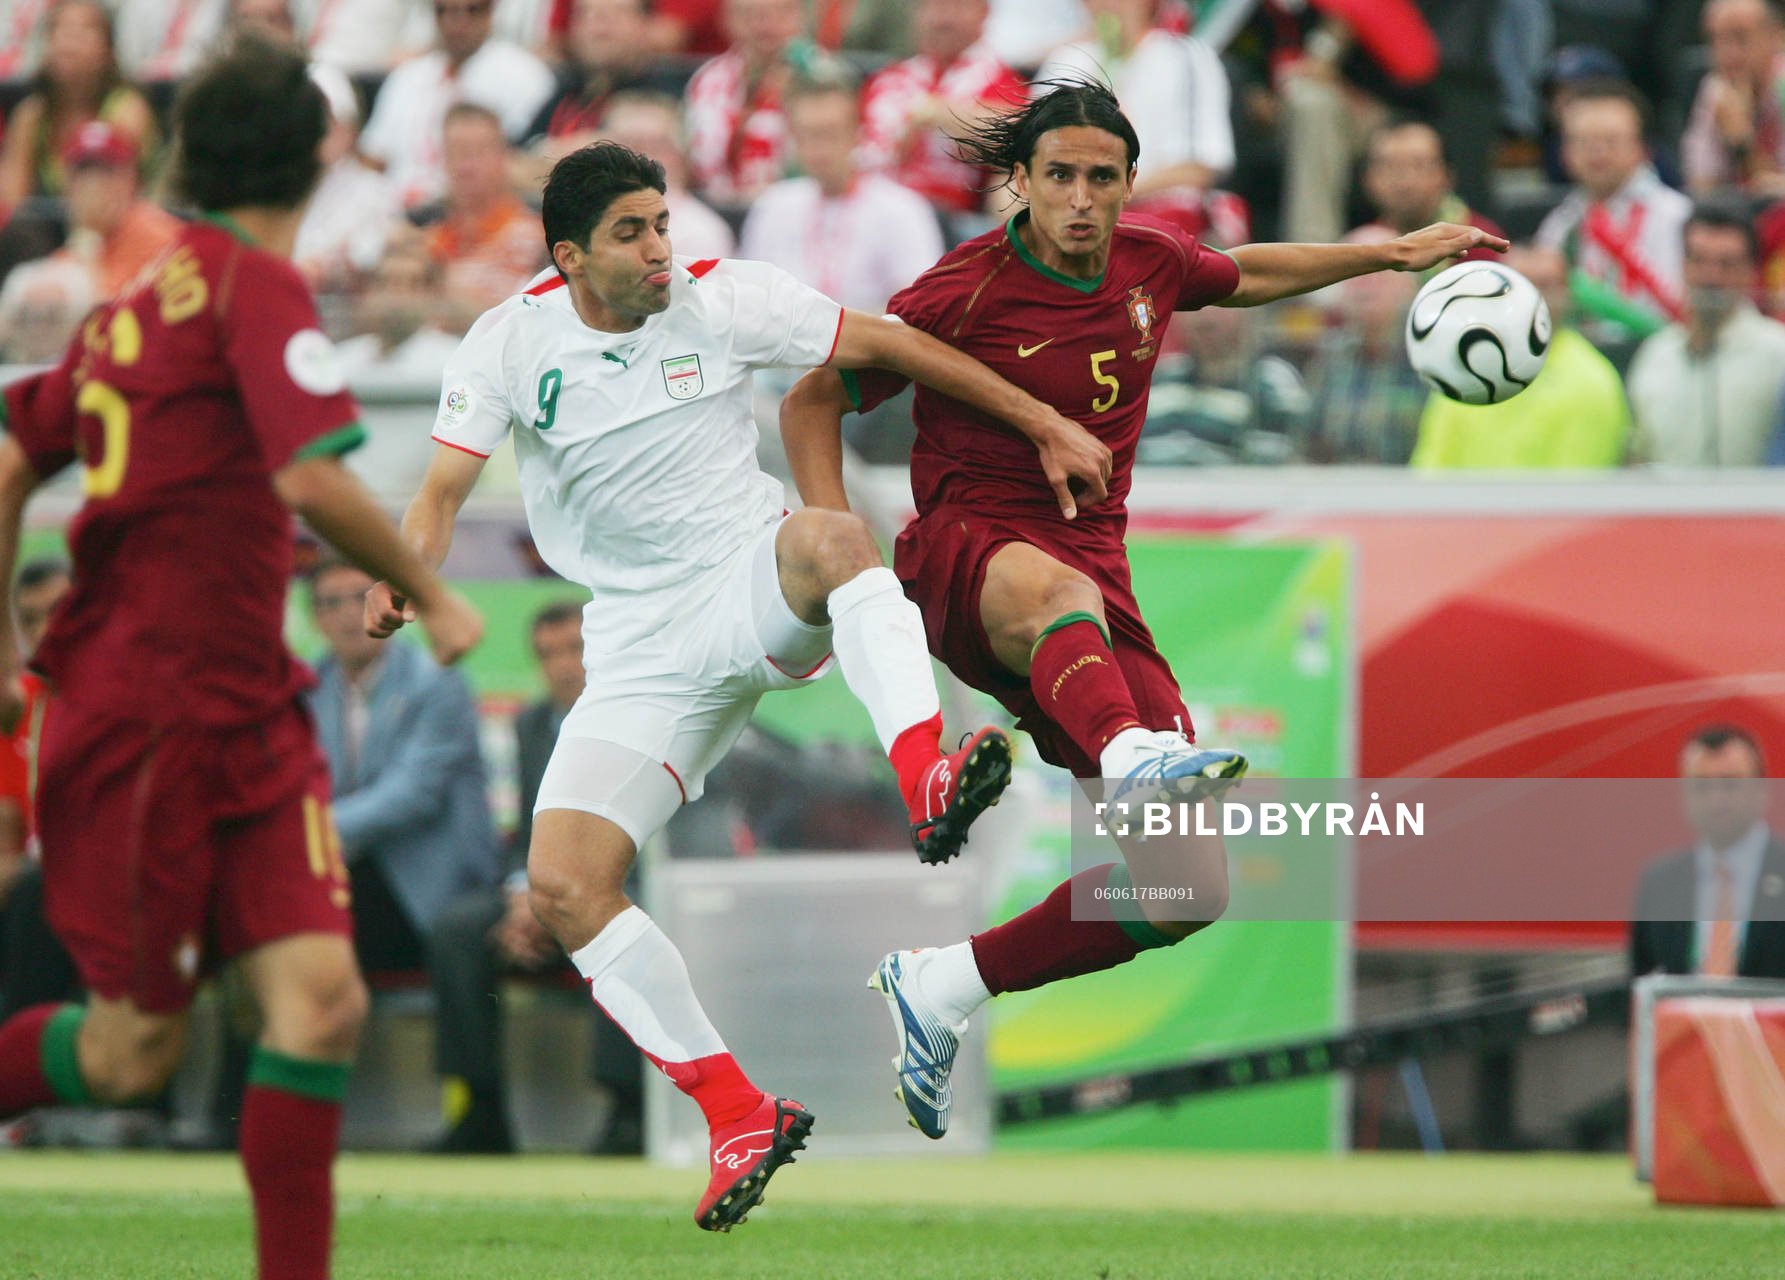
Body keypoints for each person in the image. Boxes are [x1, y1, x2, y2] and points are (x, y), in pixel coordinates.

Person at [363, 138, 1135, 1228]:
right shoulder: (506, 341)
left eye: (665, 224)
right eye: (632, 233)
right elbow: (442, 490)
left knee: (825, 535)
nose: (659, 250)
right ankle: (735, 1109)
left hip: (744, 578)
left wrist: (1044, 418)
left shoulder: (724, 302)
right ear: (572, 256)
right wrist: (407, 575)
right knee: (565, 884)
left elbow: (893, 343)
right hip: (634, 646)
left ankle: (925, 772)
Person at [779, 80, 1503, 1141]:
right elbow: (813, 394)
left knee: (1185, 884)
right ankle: (1126, 750)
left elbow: (1248, 273)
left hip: (1088, 576)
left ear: (1127, 185)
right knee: (1066, 605)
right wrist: (842, 559)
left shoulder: (1149, 261)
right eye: (1058, 176)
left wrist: (1386, 257)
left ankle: (943, 986)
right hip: (966, 548)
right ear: (1019, 182)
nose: (1079, 198)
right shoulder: (966, 287)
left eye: (1101, 178)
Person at [0, 38, 481, 1280]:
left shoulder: (136, 302)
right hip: (147, 714)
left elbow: (15, 452)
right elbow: (309, 470)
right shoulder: (246, 283)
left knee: (324, 998)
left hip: (248, 712)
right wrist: (431, 589)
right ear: (317, 152)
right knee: (129, 1057)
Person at [427, 601, 646, 1155]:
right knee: (457, 928)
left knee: (626, 922)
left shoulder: (643, 717)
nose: (563, 666)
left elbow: (654, 838)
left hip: (620, 886)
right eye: (548, 654)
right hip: (549, 889)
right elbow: (529, 832)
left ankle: (628, 1112)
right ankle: (481, 1108)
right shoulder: (529, 723)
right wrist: (528, 898)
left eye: (575, 649)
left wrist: (562, 897)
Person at [307, 556, 501, 979]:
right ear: (314, 618)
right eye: (330, 603)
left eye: (360, 598)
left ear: (387, 605)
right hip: (348, 875)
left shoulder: (436, 679)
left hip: (424, 885)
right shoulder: (310, 687)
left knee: (301, 939)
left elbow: (410, 796)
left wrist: (307, 831)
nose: (346, 615)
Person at [739, 74, 946, 315]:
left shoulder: (902, 209)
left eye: (830, 133)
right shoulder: (773, 206)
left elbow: (917, 306)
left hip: (873, 345)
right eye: (807, 134)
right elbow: (749, 296)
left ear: (856, 134)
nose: (819, 147)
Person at [1411, 246, 1631, 469]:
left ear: (1567, 294)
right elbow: (1429, 471)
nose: (1532, 298)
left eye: (1545, 285)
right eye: (1518, 286)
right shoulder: (1458, 368)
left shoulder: (1592, 382)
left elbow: (1574, 495)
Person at [1036, 0, 1235, 236]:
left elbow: (1198, 167)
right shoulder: (1066, 62)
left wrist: (1103, 193)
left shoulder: (1184, 56)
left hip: (1156, 219)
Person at [1627, 202, 1785, 466]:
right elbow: (1638, 457)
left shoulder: (1778, 353)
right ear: (1683, 265)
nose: (1711, 277)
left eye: (1727, 264)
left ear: (1750, 271)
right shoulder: (1656, 355)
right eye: (1699, 260)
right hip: (1668, 506)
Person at [359, 0, 556, 209]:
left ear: (491, 11)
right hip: (394, 209)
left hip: (471, 208)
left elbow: (522, 158)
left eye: (472, 10)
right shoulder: (407, 76)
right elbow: (373, 158)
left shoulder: (524, 75)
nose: (457, 22)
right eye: (443, 10)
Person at [1536, 79, 1693, 340]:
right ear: (1564, 153)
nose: (1597, 152)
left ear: (1642, 148)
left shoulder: (1675, 216)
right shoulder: (1561, 224)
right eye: (1583, 142)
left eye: (1611, 141)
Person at [1631, 725, 1785, 979]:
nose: (1716, 798)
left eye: (1731, 783)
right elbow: (1638, 992)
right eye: (1701, 785)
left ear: (1762, 789)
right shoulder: (1659, 884)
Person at [858, 0, 1025, 218]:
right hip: (872, 209)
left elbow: (1020, 137)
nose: (943, 19)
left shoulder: (1002, 81)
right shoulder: (887, 80)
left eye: (957, 6)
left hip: (951, 219)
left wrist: (939, 114)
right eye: (933, 6)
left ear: (983, 12)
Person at [0, 558, 75, 1024]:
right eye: (29, 619)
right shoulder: (20, 706)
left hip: (103, 880)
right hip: (32, 877)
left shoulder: (121, 698)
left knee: (33, 891)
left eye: (58, 610)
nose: (45, 629)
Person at [0, 1, 157, 213]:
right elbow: (10, 203)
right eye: (58, 29)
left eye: (85, 29)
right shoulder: (32, 115)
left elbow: (109, 199)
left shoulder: (127, 109)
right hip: (46, 238)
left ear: (108, 50)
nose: (69, 41)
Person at [417, 104, 547, 325]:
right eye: (455, 153)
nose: (465, 167)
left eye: (476, 152)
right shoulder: (427, 240)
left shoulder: (531, 238)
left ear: (503, 157)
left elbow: (511, 319)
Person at [683, 0, 814, 207]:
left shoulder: (822, 76)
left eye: (778, 13)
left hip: (795, 207)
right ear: (727, 20)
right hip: (717, 204)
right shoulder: (708, 79)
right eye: (750, 15)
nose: (765, 26)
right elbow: (691, 155)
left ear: (799, 16)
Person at [1351, 120, 1505, 266]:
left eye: (1419, 166)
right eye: (1389, 167)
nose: (1404, 181)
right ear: (1366, 178)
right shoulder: (1361, 247)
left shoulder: (1478, 242)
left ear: (1447, 175)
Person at [1682, 0, 1785, 196]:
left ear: (1777, 36)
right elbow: (1700, 184)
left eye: (1740, 38)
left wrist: (1742, 142)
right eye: (1715, 39)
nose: (1727, 52)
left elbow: (1774, 192)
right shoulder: (1715, 89)